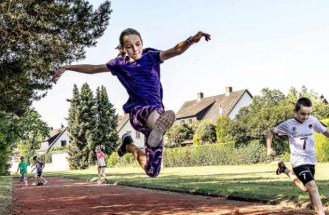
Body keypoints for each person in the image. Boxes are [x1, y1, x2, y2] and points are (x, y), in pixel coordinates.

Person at [53, 28, 211, 177]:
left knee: (152, 171)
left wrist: (192, 40)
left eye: (138, 44)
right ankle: (158, 123)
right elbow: (94, 68)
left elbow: (176, 50)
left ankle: (130, 145)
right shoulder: (119, 64)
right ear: (123, 48)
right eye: (129, 47)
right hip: (138, 112)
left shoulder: (152, 56)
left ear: (142, 43)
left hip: (155, 121)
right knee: (154, 110)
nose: (135, 49)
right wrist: (67, 67)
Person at [266, 97, 329, 215]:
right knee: (313, 186)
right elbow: (270, 131)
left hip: (311, 161)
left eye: (308, 113)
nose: (305, 116)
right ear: (295, 112)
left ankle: (285, 170)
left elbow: (325, 131)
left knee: (306, 188)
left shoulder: (313, 121)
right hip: (298, 162)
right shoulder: (288, 124)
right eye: (302, 113)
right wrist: (269, 148)